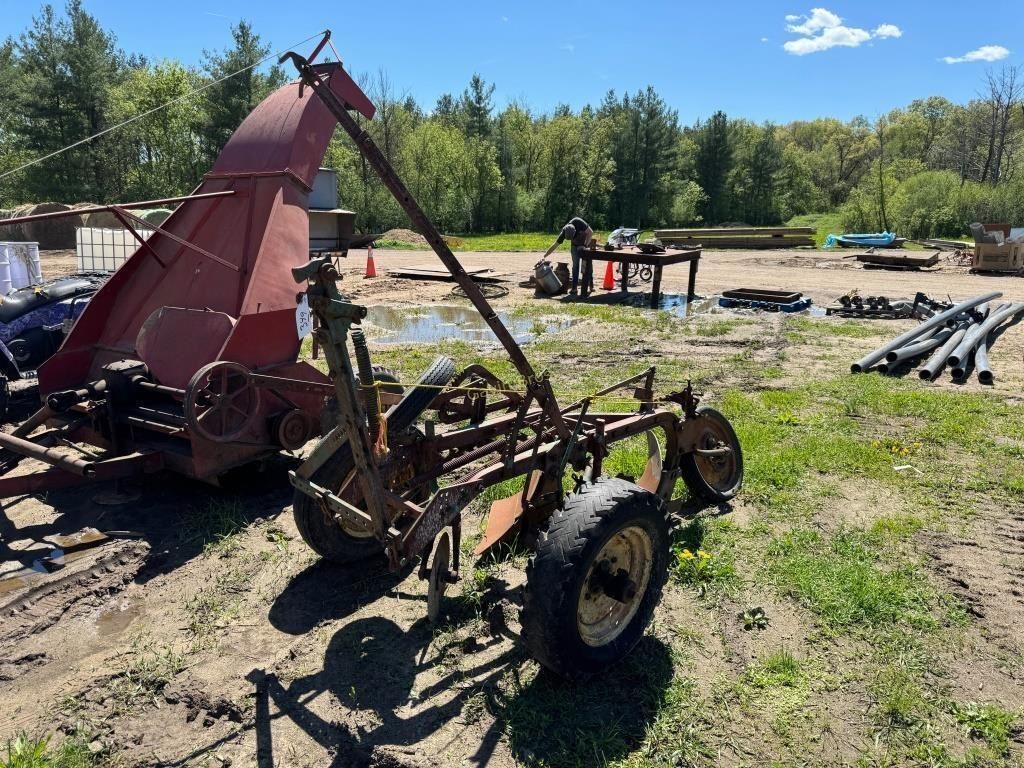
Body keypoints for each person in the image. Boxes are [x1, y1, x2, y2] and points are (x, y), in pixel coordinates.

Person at [542, 216, 594, 295]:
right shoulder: (564, 231)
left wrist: (585, 245)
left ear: (575, 230)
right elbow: (555, 245)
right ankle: (574, 288)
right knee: (575, 266)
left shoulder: (579, 222)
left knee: (586, 266)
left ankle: (591, 286)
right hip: (575, 246)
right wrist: (544, 256)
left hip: (585, 243)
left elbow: (590, 232)